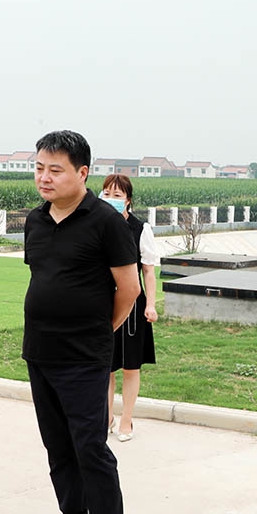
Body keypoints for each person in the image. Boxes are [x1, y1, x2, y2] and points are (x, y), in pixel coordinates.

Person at [23, 130, 141, 514]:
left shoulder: (105, 221)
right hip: (40, 352)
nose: (44, 178)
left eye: (55, 170)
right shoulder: (35, 220)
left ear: (82, 172)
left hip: (85, 357)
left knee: (90, 446)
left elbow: (128, 289)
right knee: (57, 446)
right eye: (39, 168)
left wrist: (97, 333)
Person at [99, 174, 159, 442]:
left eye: (117, 195)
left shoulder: (140, 229)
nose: (111, 200)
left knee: (131, 367)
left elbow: (148, 272)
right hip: (103, 303)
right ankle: (107, 417)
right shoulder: (97, 225)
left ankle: (126, 420)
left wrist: (151, 305)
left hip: (134, 306)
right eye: (107, 194)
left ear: (128, 200)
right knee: (107, 367)